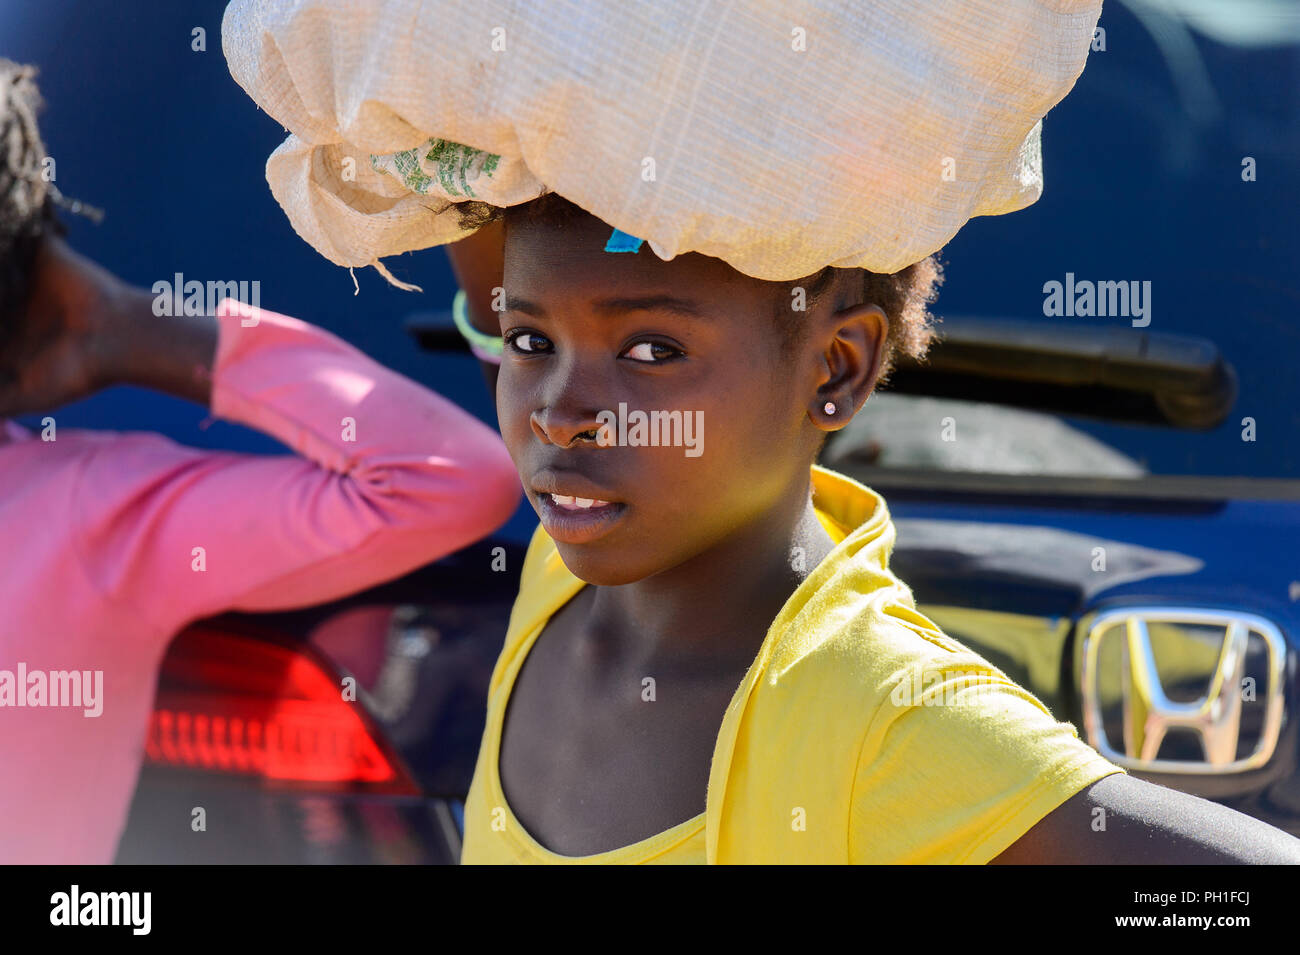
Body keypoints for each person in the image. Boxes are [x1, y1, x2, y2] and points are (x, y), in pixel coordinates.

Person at [449, 191, 1300, 863]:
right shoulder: (562, 574)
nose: (561, 416)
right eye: (531, 342)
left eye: (652, 352)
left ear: (838, 364)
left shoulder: (885, 717)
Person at [0, 61, 522, 864]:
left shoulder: (80, 512)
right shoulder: (76, 513)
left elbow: (452, 479)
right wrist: (122, 328)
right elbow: (448, 476)